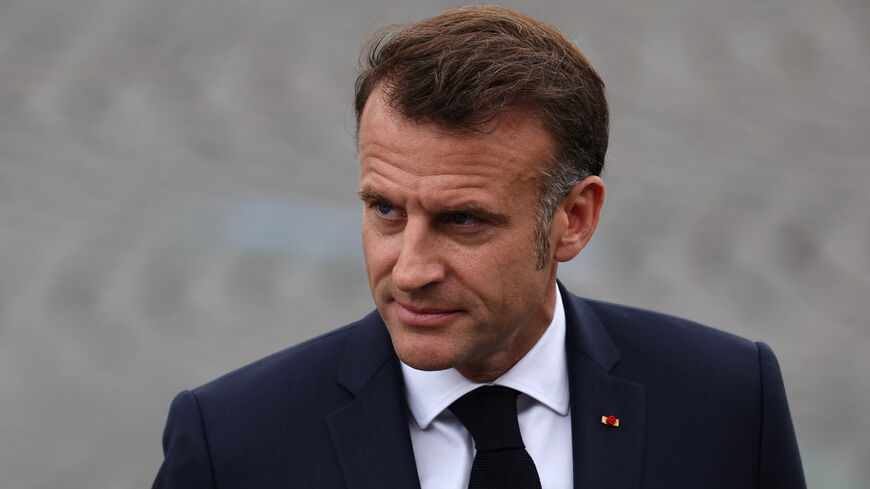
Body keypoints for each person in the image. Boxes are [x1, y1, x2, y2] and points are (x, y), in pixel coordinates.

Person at [152, 6, 806, 489]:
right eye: (385, 209)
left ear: (574, 219)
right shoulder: (231, 443)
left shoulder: (726, 401)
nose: (410, 270)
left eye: (463, 220)